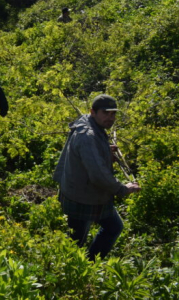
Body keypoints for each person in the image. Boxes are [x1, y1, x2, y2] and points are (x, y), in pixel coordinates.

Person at [53, 94, 141, 261]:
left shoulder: (86, 122)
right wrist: (123, 189)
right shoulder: (88, 136)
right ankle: (81, 267)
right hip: (83, 196)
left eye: (113, 114)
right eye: (105, 113)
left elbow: (88, 155)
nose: (110, 118)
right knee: (78, 240)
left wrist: (104, 150)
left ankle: (86, 263)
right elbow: (99, 176)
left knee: (108, 228)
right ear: (93, 112)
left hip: (81, 191)